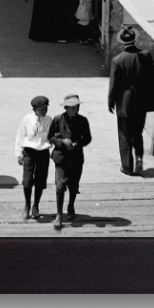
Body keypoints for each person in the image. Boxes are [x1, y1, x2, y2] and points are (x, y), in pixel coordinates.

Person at [108, 26, 154, 175]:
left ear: (122, 42)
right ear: (134, 39)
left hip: (124, 104)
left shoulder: (118, 60)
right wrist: (151, 99)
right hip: (141, 102)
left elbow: (114, 85)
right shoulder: (146, 55)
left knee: (125, 135)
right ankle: (139, 159)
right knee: (138, 133)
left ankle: (127, 167)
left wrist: (110, 102)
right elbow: (151, 80)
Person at [48, 94, 93, 230]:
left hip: (76, 158)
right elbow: (50, 137)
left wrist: (76, 143)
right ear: (66, 108)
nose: (76, 109)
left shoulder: (83, 121)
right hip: (61, 157)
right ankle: (59, 215)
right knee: (60, 185)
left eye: (77, 106)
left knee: (74, 185)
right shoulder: (57, 120)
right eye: (73, 107)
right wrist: (61, 142)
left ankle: (71, 205)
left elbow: (87, 138)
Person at [15, 94, 53, 221]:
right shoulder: (27, 119)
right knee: (27, 181)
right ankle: (27, 204)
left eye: (46, 108)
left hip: (43, 153)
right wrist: (19, 153)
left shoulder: (48, 120)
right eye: (42, 108)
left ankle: (36, 205)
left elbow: (52, 136)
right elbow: (20, 136)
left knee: (40, 182)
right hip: (29, 153)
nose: (45, 111)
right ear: (35, 109)